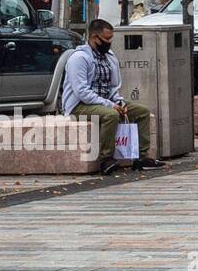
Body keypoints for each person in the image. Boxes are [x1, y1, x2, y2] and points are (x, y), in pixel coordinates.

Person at [61, 19, 165, 175]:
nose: (109, 42)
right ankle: (106, 159)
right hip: (79, 105)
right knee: (111, 115)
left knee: (141, 112)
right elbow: (81, 91)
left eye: (111, 38)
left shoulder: (109, 57)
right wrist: (110, 106)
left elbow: (114, 86)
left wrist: (118, 102)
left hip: (105, 101)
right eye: (106, 39)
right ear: (94, 37)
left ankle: (142, 158)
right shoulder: (79, 58)